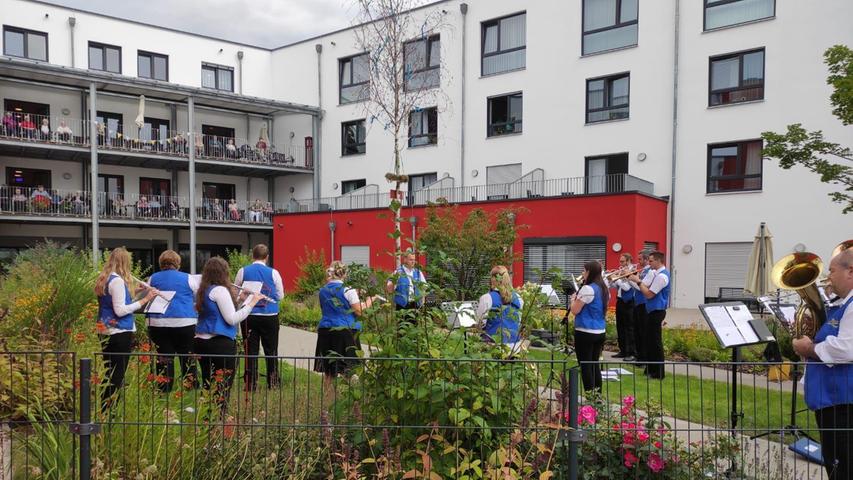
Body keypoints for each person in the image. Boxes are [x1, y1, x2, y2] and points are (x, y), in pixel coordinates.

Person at [793, 248, 853, 479]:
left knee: (843, 469)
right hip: (833, 401)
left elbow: (847, 348)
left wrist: (809, 348)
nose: (828, 276)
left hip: (842, 404)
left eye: (832, 271)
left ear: (850, 272)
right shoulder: (843, 304)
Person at [194, 257, 262, 412]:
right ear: (224, 273)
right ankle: (219, 421)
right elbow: (231, 319)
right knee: (222, 387)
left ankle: (206, 419)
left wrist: (240, 300)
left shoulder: (204, 289)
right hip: (219, 344)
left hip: (201, 342)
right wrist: (252, 303)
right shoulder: (220, 290)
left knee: (208, 384)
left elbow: (218, 310)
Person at [94, 247, 160, 407]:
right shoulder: (117, 281)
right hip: (119, 331)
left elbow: (115, 301)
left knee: (110, 372)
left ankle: (107, 409)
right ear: (125, 262)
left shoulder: (106, 279)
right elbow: (120, 310)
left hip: (106, 329)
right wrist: (146, 299)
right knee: (116, 375)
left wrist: (136, 292)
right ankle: (108, 410)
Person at [315, 261, 371, 402]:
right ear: (345, 274)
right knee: (351, 371)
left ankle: (326, 411)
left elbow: (326, 309)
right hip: (345, 332)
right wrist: (370, 300)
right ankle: (357, 409)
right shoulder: (348, 290)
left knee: (329, 373)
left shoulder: (323, 290)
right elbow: (358, 311)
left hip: (326, 331)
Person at [146, 250, 200, 391]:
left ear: (161, 263)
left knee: (164, 355)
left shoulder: (152, 278)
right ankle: (191, 385)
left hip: (159, 322)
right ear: (178, 263)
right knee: (187, 355)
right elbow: (197, 296)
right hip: (184, 321)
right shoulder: (188, 278)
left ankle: (164, 386)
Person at [234, 244, 284, 390]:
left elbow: (236, 292)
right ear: (267, 257)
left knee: (250, 350)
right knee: (271, 350)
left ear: (252, 256)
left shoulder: (242, 271)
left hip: (249, 315)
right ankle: (273, 382)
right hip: (270, 315)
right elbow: (280, 295)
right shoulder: (274, 273)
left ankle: (250, 383)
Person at [628, 251, 670, 380]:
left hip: (657, 311)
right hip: (652, 310)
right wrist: (635, 280)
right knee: (650, 341)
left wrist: (638, 281)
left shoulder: (662, 277)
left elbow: (649, 294)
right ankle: (651, 370)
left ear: (658, 261)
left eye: (651, 261)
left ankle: (658, 373)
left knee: (655, 343)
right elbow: (645, 286)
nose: (649, 263)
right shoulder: (655, 274)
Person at [570, 260, 609, 392]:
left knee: (585, 365)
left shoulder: (587, 289)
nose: (583, 273)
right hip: (600, 330)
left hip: (585, 331)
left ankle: (589, 397)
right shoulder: (603, 288)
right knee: (594, 365)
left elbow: (575, 310)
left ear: (589, 272)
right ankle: (597, 396)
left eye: (584, 270)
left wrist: (572, 299)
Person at [476, 265, 524, 355]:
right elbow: (518, 321)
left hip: (493, 346)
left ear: (493, 279)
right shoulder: (518, 298)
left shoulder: (487, 298)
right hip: (515, 347)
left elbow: (481, 323)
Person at [611, 253, 636, 361]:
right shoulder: (622, 271)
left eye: (622, 261)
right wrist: (611, 280)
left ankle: (630, 352)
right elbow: (617, 286)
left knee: (629, 328)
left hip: (629, 302)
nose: (620, 264)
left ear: (628, 261)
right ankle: (622, 350)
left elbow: (626, 287)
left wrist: (617, 279)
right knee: (620, 326)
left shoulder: (632, 271)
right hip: (620, 300)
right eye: (620, 261)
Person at [629, 251, 651, 368]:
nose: (639, 262)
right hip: (638, 303)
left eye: (640, 259)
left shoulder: (648, 271)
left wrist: (630, 278)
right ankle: (639, 357)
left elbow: (640, 287)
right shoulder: (642, 271)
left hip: (643, 303)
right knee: (637, 331)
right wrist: (629, 278)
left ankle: (643, 358)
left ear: (647, 259)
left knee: (642, 332)